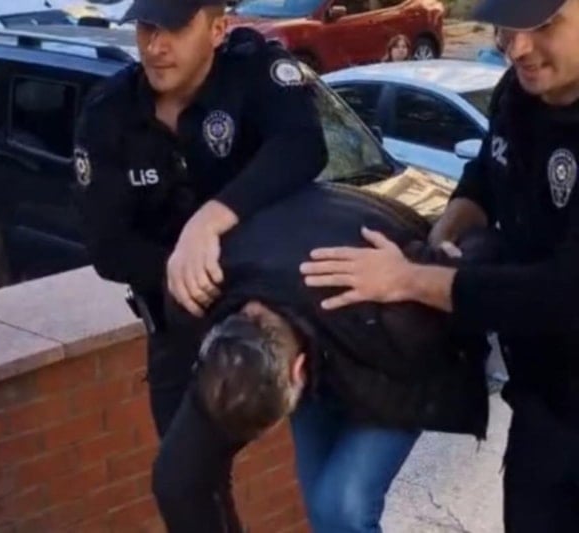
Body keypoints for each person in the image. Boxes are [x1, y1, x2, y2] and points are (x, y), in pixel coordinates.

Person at [301, 1, 579, 531]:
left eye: (543, 25)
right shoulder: (519, 94)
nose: (517, 47)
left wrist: (411, 280)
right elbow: (486, 176)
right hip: (542, 402)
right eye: (506, 25)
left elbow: (562, 293)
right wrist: (445, 232)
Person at [72, 0, 328, 528]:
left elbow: (305, 146)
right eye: (145, 27)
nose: (154, 45)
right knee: (186, 486)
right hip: (179, 327)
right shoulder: (108, 112)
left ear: (217, 29)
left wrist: (210, 222)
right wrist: (183, 266)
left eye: (173, 27)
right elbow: (107, 246)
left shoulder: (253, 72)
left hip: (275, 321)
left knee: (335, 491)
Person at [156, 180, 493, 533]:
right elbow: (178, 479)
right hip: (322, 345)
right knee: (322, 513)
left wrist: (441, 253)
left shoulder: (392, 310)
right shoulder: (196, 288)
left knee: (341, 509)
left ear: (298, 370)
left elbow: (483, 261)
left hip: (398, 374)